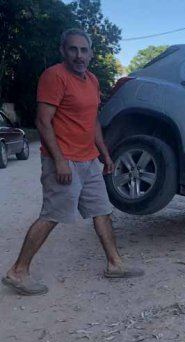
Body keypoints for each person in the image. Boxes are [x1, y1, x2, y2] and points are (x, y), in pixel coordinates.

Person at [2, 28, 144, 296]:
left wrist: (105, 153)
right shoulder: (54, 76)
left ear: (91, 53)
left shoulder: (91, 81)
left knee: (102, 210)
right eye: (73, 49)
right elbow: (42, 122)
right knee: (52, 215)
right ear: (63, 51)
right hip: (64, 160)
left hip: (89, 160)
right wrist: (59, 161)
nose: (79, 55)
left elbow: (92, 122)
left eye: (83, 50)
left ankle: (115, 263)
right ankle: (18, 271)